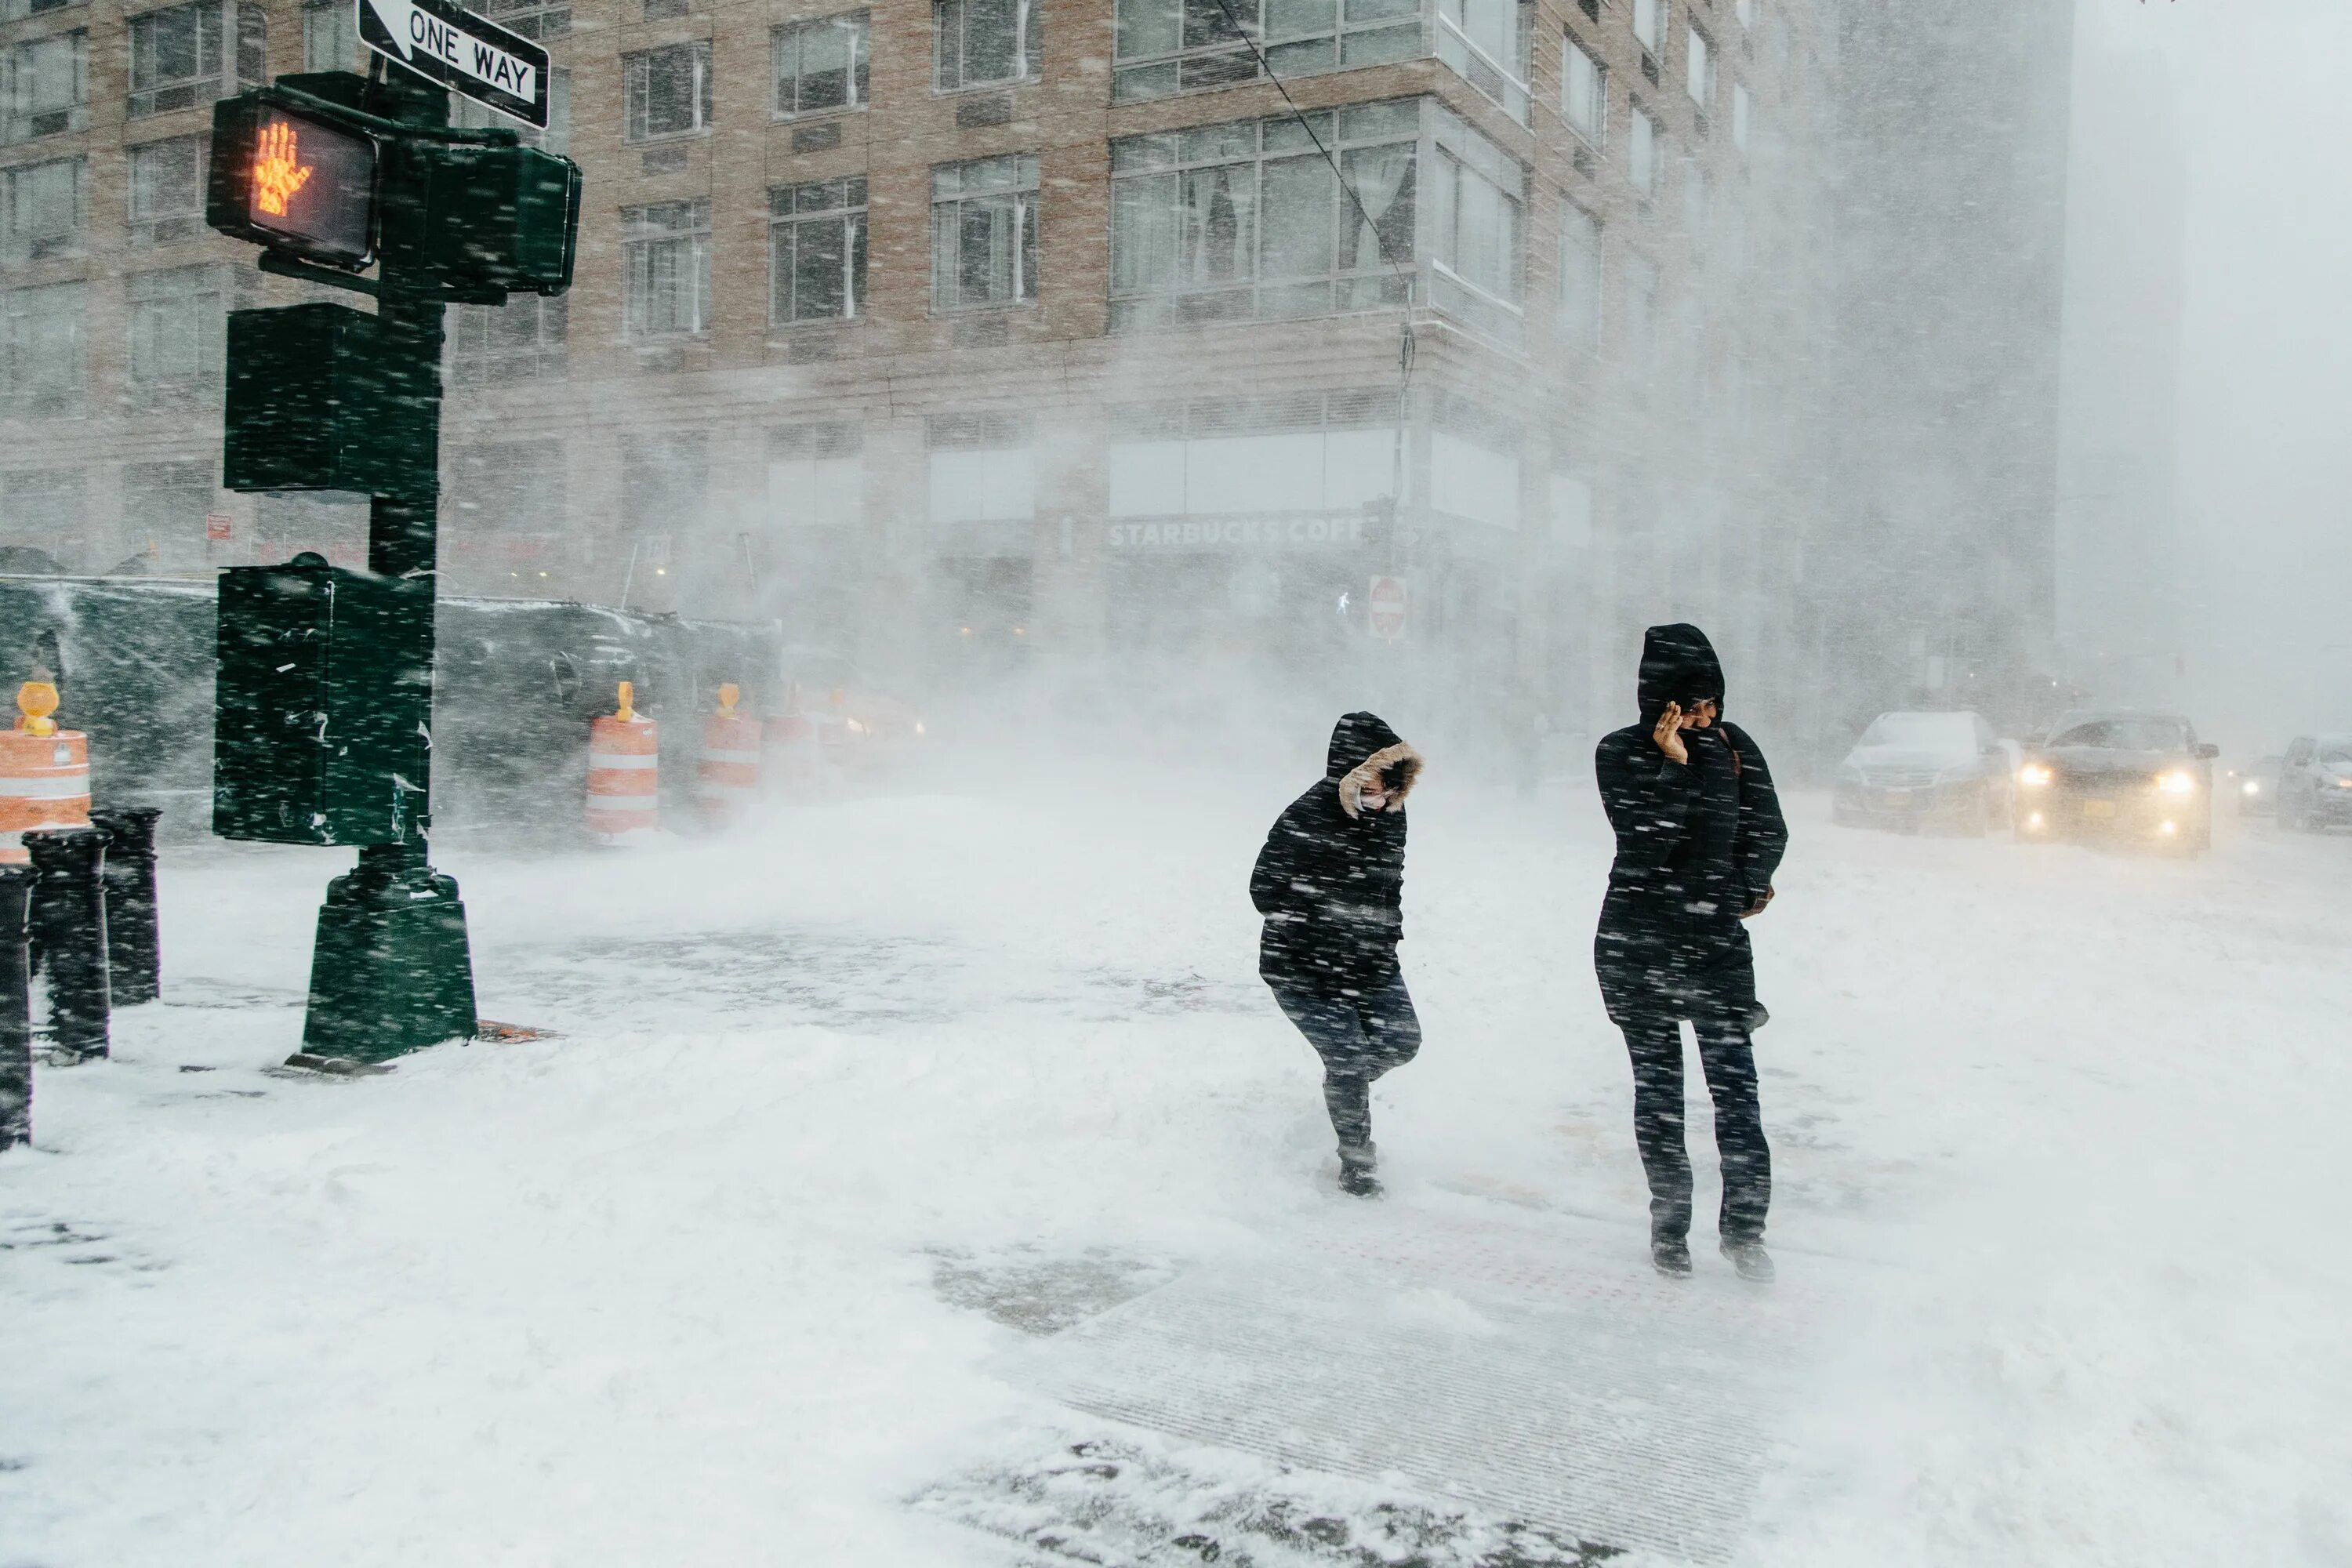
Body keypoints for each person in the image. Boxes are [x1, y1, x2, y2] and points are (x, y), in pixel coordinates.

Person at [1593, 625, 1788, 1281]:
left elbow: (1769, 828)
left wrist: (1738, 890)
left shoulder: (1735, 748)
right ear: (1659, 704)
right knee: (1661, 1097)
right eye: (1691, 706)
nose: (1706, 717)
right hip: (1637, 943)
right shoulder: (1620, 751)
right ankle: (1670, 1228)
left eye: (1713, 703)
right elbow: (1644, 840)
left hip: (1716, 947)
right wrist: (1672, 764)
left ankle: (1745, 1234)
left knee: (1738, 1098)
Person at [1250, 712, 1424, 1197]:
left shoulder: (1391, 814)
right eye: (1372, 786)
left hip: (1371, 963)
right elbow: (1264, 890)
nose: (1382, 798)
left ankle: (1343, 1089)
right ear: (1348, 776)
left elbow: (1391, 884)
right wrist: (1325, 918)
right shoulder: (1307, 816)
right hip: (1303, 968)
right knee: (1348, 1059)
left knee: (1401, 1044)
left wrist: (1384, 935)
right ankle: (1357, 1161)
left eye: (1391, 788)